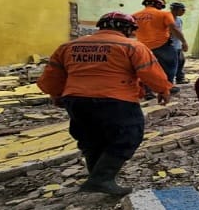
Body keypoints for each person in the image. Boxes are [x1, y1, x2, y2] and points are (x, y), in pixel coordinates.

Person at [37, 12, 173, 196]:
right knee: (128, 136)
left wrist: (55, 93)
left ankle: (96, 177)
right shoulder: (132, 46)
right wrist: (163, 89)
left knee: (90, 138)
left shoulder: (69, 46)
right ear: (126, 29)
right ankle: (101, 179)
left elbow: (53, 74)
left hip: (76, 99)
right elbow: (150, 72)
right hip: (117, 99)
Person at [132, 0, 188, 96]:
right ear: (158, 5)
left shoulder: (134, 16)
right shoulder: (164, 14)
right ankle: (167, 88)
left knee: (147, 69)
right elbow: (174, 29)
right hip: (163, 46)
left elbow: (131, 32)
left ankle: (148, 91)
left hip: (143, 47)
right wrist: (184, 42)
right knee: (169, 67)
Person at [169, 2, 189, 84]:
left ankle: (180, 78)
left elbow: (179, 32)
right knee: (172, 63)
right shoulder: (168, 19)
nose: (184, 11)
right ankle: (170, 80)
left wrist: (182, 43)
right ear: (175, 10)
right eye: (182, 10)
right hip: (170, 45)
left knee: (181, 61)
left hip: (178, 45)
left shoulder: (179, 20)